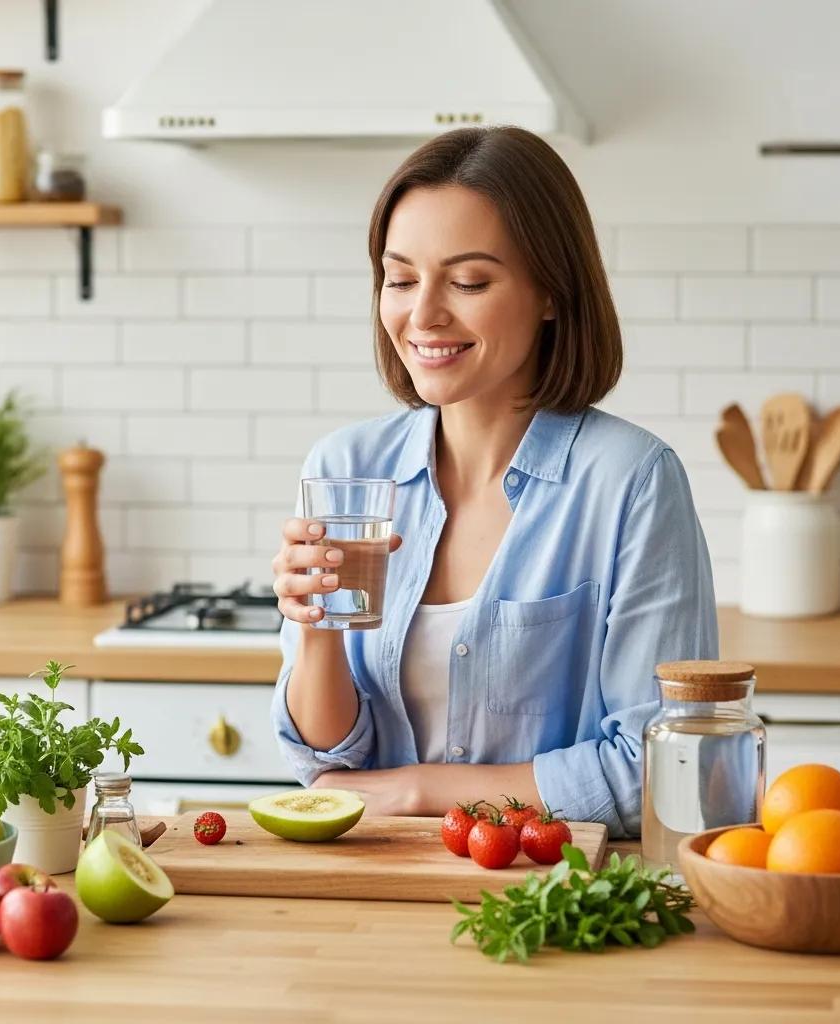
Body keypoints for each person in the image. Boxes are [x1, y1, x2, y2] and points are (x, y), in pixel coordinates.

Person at [269, 126, 717, 837]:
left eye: (469, 281)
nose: (422, 317)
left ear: (550, 291)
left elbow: (664, 768)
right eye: (401, 279)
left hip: (552, 901)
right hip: (371, 896)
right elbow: (322, 763)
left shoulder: (632, 482)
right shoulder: (344, 467)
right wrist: (315, 631)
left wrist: (422, 789)